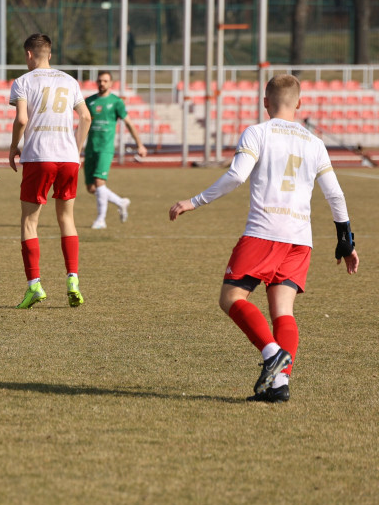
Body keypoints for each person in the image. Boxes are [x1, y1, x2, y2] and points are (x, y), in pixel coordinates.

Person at [169, 74, 359, 403]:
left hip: (264, 231)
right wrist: (346, 240)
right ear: (299, 103)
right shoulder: (315, 143)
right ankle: (279, 386)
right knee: (283, 312)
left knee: (231, 299)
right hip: (300, 239)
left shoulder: (258, 132)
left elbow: (237, 176)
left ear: (265, 102)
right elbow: (336, 195)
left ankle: (273, 356)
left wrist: (194, 201)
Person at [8, 33, 91, 309]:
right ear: (50, 55)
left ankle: (34, 286)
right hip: (68, 159)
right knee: (66, 219)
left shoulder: (23, 81)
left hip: (39, 157)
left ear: (29, 54)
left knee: (30, 222)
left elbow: (22, 118)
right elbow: (86, 117)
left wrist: (13, 147)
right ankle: (73, 280)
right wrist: (76, 150)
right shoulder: (69, 80)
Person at [84, 70, 147, 229]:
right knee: (92, 188)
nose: (102, 83)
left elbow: (129, 124)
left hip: (106, 148)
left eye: (105, 81)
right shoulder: (89, 101)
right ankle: (120, 202)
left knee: (99, 182)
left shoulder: (116, 102)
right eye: (100, 80)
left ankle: (101, 220)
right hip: (91, 148)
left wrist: (139, 144)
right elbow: (82, 125)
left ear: (111, 83)